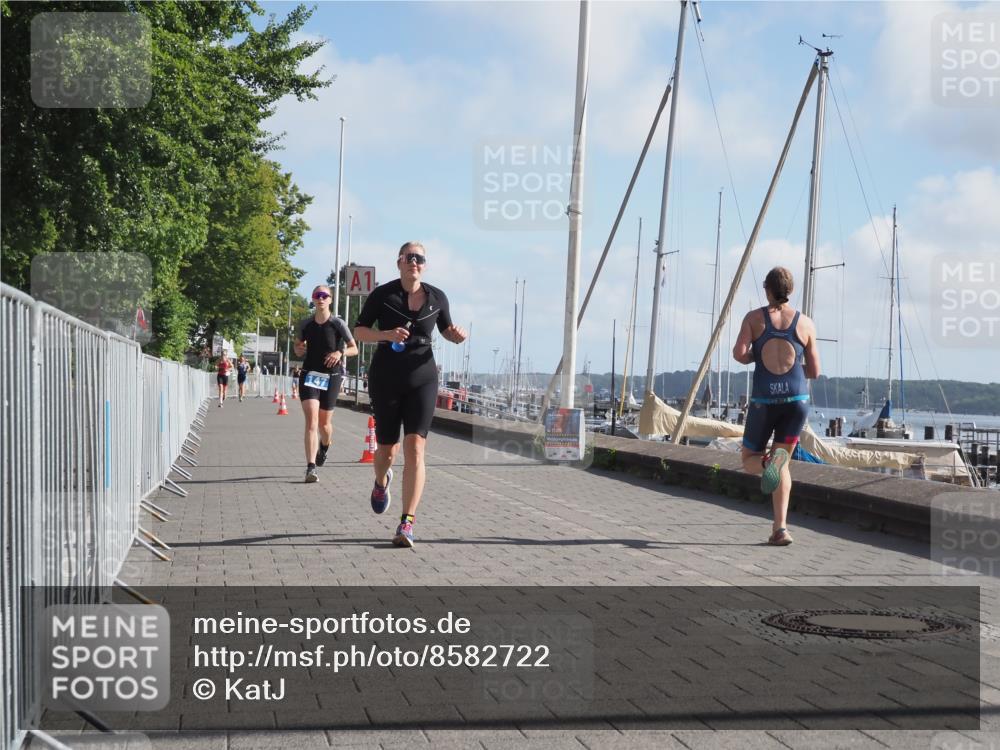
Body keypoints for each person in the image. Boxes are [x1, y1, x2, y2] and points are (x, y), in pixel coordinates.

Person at [354, 242, 467, 548]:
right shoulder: (383, 295)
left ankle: (407, 522)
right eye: (409, 258)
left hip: (423, 378)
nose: (414, 262)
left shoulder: (437, 297)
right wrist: (386, 335)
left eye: (419, 258)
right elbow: (359, 330)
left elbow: (446, 330)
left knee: (415, 447)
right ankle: (381, 482)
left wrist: (457, 336)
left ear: (424, 265)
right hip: (386, 378)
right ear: (399, 262)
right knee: (387, 451)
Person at [732, 267, 821, 546]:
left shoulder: (754, 318)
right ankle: (780, 529)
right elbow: (814, 371)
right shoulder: (805, 323)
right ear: (790, 290)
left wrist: (758, 356)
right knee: (783, 465)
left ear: (766, 289)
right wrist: (792, 369)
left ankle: (768, 463)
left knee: (750, 460)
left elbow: (739, 354)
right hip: (796, 401)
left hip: (765, 401)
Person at [293, 284, 358, 483]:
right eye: (317, 295)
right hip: (310, 375)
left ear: (330, 299)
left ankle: (325, 446)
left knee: (325, 425)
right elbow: (297, 346)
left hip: (332, 376)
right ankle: (311, 468)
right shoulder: (305, 324)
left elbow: (354, 348)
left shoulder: (338, 323)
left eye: (324, 295)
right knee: (312, 421)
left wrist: (340, 352)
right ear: (313, 299)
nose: (320, 298)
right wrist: (298, 349)